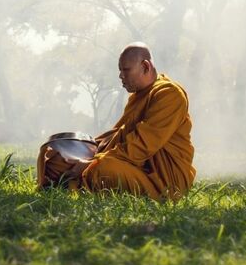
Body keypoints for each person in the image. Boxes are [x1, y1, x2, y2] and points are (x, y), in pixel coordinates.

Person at [39, 43, 195, 200]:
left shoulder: (169, 94)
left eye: (126, 70)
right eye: (120, 71)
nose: (121, 76)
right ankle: (68, 182)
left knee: (102, 169)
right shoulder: (138, 96)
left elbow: (141, 146)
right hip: (132, 166)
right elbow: (118, 136)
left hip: (163, 182)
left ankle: (71, 185)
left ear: (145, 67)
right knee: (56, 157)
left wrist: (93, 161)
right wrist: (85, 151)